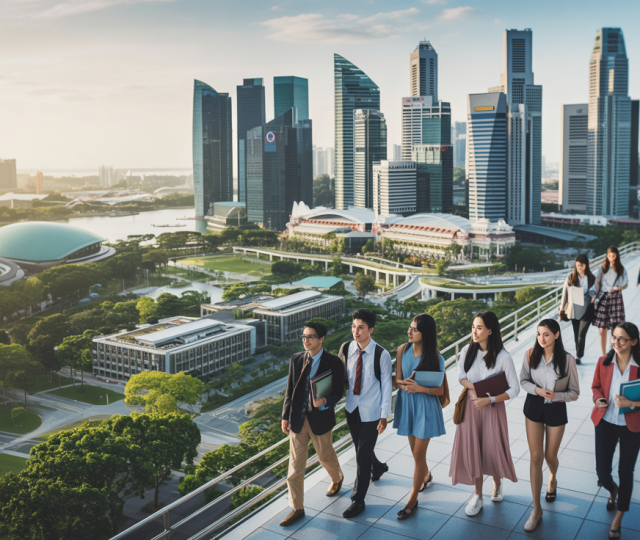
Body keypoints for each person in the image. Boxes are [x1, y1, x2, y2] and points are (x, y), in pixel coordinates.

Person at [449, 310, 520, 517]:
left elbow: (514, 389)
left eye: (479, 328)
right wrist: (475, 388)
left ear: (490, 330)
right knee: (475, 450)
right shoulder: (466, 351)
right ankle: (477, 494)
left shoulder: (503, 357)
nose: (475, 331)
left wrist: (488, 399)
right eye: (473, 327)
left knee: (492, 448)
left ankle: (497, 483)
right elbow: (460, 375)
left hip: (492, 408)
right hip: (471, 408)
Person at [279, 322, 345, 527]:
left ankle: (337, 477)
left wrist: (325, 401)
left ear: (321, 339)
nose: (306, 340)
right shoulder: (297, 359)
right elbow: (290, 390)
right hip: (298, 420)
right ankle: (296, 508)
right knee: (294, 468)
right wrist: (285, 416)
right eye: (304, 337)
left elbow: (338, 392)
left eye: (311, 337)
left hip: (320, 418)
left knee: (325, 456)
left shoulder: (333, 362)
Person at [519, 319, 580, 532]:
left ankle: (552, 476)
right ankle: (536, 510)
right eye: (538, 334)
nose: (541, 339)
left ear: (556, 335)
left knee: (549, 456)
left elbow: (574, 393)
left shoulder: (568, 360)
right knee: (535, 457)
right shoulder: (529, 354)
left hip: (555, 408)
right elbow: (523, 381)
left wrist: (556, 396)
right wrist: (537, 390)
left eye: (546, 334)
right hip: (533, 407)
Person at [393, 314, 448, 520]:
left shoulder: (435, 357)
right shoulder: (402, 350)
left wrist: (420, 387)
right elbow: (397, 380)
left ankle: (412, 500)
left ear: (425, 333)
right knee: (416, 454)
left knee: (417, 455)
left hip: (425, 406)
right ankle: (426, 475)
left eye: (414, 329)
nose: (409, 331)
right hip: (407, 404)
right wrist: (404, 383)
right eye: (410, 327)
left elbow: (440, 389)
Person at [338, 309, 393, 519]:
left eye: (361, 327)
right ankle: (378, 467)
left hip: (371, 412)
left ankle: (357, 500)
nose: (356, 331)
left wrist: (384, 415)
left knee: (361, 456)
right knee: (361, 449)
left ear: (371, 329)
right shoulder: (346, 348)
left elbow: (387, 386)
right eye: (353, 326)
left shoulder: (381, 354)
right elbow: (340, 377)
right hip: (352, 408)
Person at [592, 322, 640, 540]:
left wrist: (631, 404)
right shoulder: (603, 362)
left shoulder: (638, 367)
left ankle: (618, 519)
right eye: (614, 338)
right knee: (602, 471)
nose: (617, 343)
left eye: (622, 339)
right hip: (606, 422)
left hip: (632, 427)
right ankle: (613, 490)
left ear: (634, 342)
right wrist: (598, 399)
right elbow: (595, 387)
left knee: (626, 471)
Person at [559, 254, 596, 364]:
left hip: (587, 309)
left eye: (582, 265)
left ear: (586, 265)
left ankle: (579, 355)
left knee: (581, 334)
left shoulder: (591, 278)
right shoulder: (571, 277)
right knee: (576, 335)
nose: (580, 267)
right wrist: (561, 309)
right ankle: (577, 355)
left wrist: (594, 298)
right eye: (578, 265)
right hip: (574, 309)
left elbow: (596, 292)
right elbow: (565, 293)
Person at [593, 247, 628, 356]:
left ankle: (612, 351)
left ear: (617, 256)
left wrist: (617, 288)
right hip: (603, 298)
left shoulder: (621, 268)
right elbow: (597, 283)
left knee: (615, 328)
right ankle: (604, 355)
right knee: (602, 329)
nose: (611, 258)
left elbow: (625, 283)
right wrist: (594, 297)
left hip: (616, 298)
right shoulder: (602, 268)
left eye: (613, 256)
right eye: (609, 256)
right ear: (607, 256)